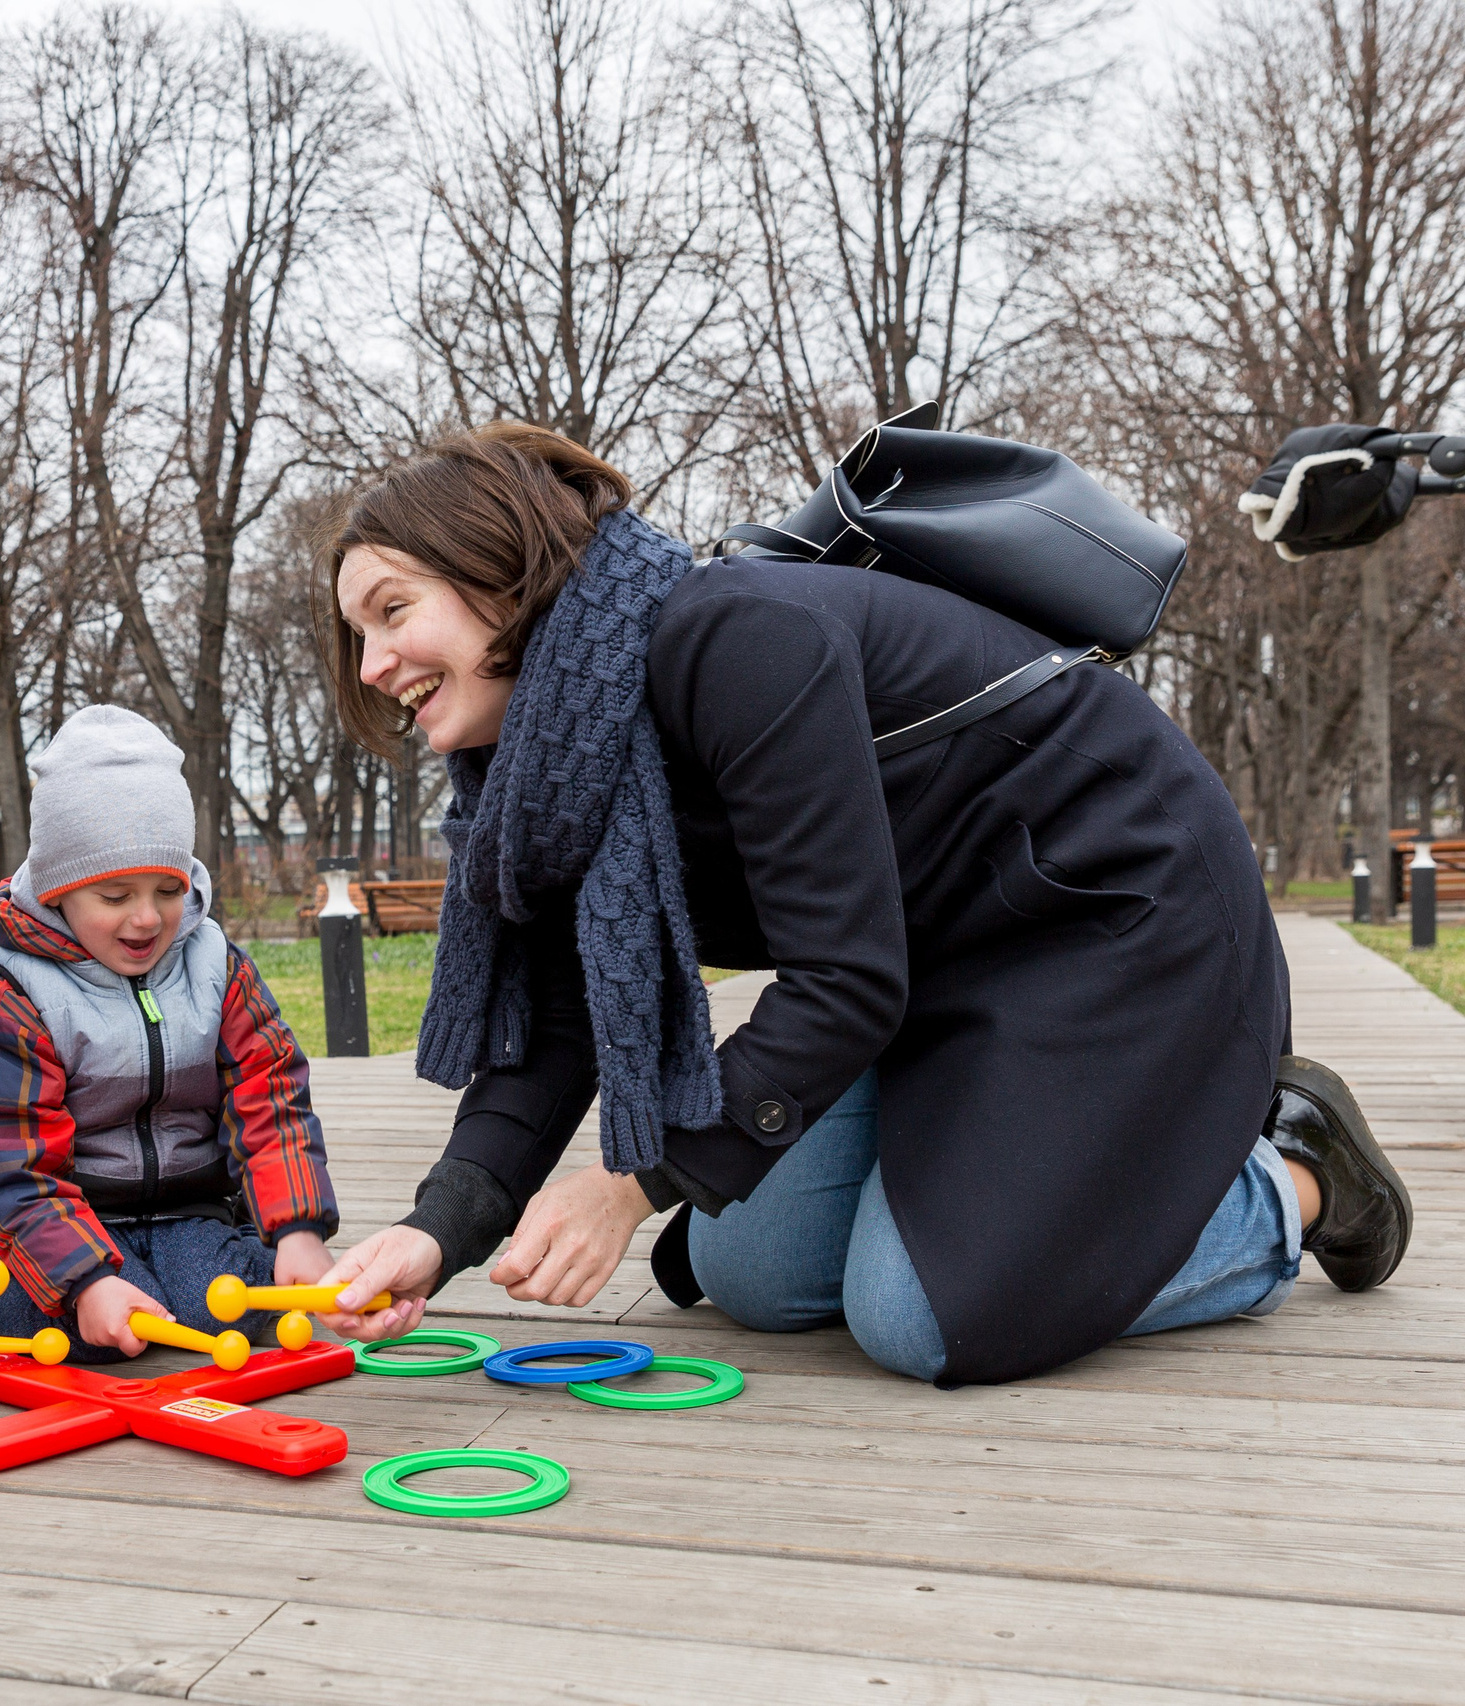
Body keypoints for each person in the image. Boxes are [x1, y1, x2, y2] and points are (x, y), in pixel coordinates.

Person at [308, 422, 1413, 1387]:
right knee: (754, 1274)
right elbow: (559, 1018)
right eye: (358, 632)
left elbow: (842, 976)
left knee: (921, 1318)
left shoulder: (732, 636)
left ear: (499, 570)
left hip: (1114, 915)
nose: (370, 664)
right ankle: (997, 1174)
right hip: (931, 961)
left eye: (393, 609)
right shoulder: (547, 772)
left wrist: (630, 1181)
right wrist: (435, 1227)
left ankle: (1298, 1173)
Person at [0, 706, 340, 1361]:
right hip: (69, 1216)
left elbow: (270, 1098)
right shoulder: (14, 999)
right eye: (116, 896)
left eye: (168, 888)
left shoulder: (216, 967)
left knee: (238, 1313)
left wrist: (296, 1228)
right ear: (60, 890)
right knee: (85, 1333)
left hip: (190, 1213)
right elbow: (11, 1164)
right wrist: (87, 1280)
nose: (148, 918)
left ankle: (190, 1268)